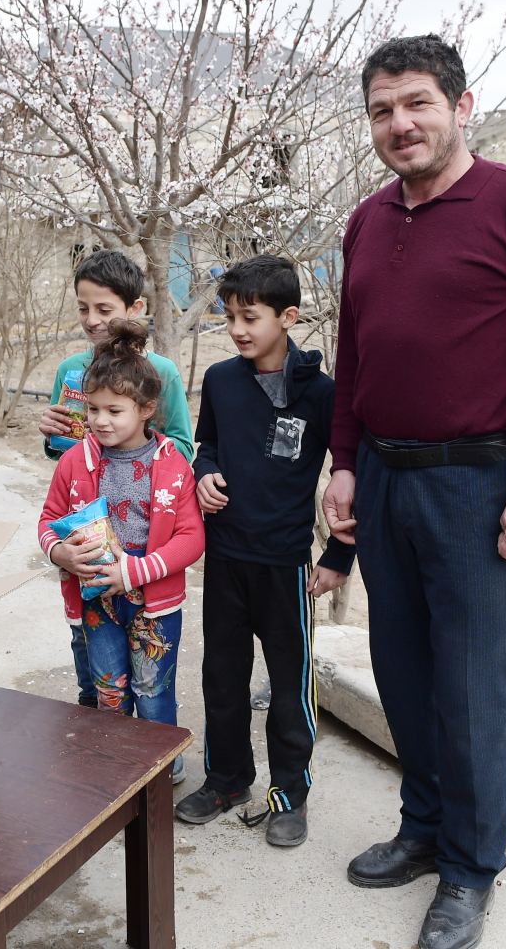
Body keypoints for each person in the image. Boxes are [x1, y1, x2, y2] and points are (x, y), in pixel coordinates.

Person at [321, 36, 506, 949]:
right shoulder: (366, 222)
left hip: (480, 485)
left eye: (417, 104)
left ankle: (472, 870)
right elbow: (356, 352)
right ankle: (425, 828)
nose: (399, 124)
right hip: (385, 479)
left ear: (461, 105)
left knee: (474, 687)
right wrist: (346, 461)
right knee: (402, 672)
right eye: (382, 110)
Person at [173, 255, 354, 848]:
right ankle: (226, 781)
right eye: (229, 317)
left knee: (289, 688)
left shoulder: (321, 395)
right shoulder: (222, 382)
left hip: (285, 567)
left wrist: (338, 559)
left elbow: (348, 480)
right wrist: (204, 472)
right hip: (225, 559)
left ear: (288, 316)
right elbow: (206, 445)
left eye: (250, 317)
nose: (237, 329)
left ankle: (288, 796)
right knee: (222, 678)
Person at [36, 319, 204, 784]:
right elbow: (48, 519)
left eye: (114, 410)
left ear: (147, 409)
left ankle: (160, 769)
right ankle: (117, 768)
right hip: (97, 604)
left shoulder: (172, 465)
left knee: (152, 690)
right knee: (109, 689)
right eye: (93, 409)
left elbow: (192, 538)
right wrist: (60, 554)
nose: (100, 420)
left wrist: (135, 572)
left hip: (154, 605)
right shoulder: (76, 460)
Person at [39, 249, 194, 715]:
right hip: (89, 556)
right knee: (96, 675)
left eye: (103, 309)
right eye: (83, 308)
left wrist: (138, 452)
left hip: (144, 551)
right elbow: (67, 456)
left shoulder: (160, 373)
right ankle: (101, 741)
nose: (92, 320)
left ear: (134, 308)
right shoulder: (71, 371)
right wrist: (54, 435)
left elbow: (181, 446)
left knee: (150, 686)